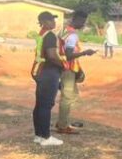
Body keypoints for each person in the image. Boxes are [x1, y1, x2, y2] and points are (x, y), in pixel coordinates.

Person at [55, 11, 97, 135]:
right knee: (67, 97)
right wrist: (85, 53)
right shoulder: (72, 35)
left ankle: (62, 121)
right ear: (75, 19)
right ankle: (62, 126)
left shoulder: (64, 30)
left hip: (64, 67)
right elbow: (68, 55)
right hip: (68, 68)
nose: (83, 24)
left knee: (71, 96)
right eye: (82, 21)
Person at [31, 11, 65, 147]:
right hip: (49, 71)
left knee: (40, 104)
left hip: (40, 70)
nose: (54, 22)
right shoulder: (50, 35)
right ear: (44, 22)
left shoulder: (42, 34)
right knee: (46, 105)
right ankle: (45, 137)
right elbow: (51, 55)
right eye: (51, 20)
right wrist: (63, 65)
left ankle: (39, 135)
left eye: (54, 19)